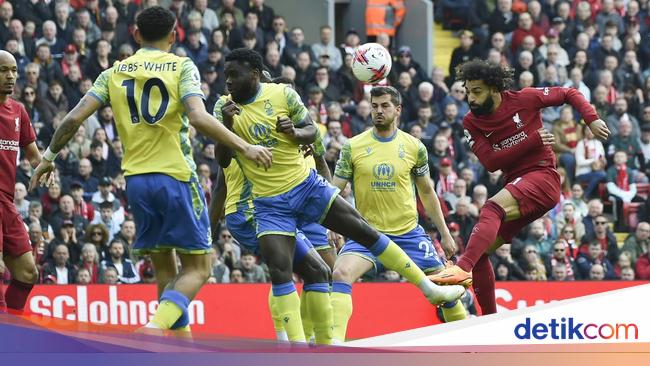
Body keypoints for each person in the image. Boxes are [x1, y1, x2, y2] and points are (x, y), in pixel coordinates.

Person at [29, 6, 272, 334]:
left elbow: (72, 119)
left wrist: (48, 156)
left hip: (137, 183)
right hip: (175, 178)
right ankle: (154, 330)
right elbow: (199, 117)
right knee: (200, 268)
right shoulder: (181, 66)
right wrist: (247, 147)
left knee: (165, 273)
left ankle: (172, 351)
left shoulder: (113, 72)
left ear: (135, 34)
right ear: (174, 35)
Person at [214, 48, 463, 342]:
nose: (227, 81)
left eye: (234, 75)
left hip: (310, 190)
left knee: (330, 261)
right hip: (267, 204)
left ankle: (437, 301)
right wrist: (227, 127)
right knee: (295, 271)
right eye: (374, 105)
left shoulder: (284, 96)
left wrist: (295, 134)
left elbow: (314, 140)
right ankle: (303, 347)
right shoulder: (224, 108)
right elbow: (223, 163)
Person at [429, 60, 610, 315]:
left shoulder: (525, 99)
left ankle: (462, 267)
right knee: (482, 252)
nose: (471, 98)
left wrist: (590, 119)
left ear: (494, 88)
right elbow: (491, 162)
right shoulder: (471, 122)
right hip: (519, 185)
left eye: (477, 91)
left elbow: (569, 93)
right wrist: (531, 139)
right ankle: (489, 320)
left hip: (543, 177)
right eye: (468, 91)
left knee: (491, 208)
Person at [330, 86, 467, 342]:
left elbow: (427, 193)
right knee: (340, 273)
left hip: (408, 235)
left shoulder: (414, 146)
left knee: (444, 286)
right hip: (366, 235)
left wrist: (445, 233)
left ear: (398, 110)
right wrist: (331, 225)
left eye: (384, 106)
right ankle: (334, 347)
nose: (378, 111)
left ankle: (471, 347)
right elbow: (333, 190)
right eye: (374, 106)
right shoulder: (353, 146)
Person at [0, 50, 40, 313]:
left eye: (14, 70)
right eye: (4, 70)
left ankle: (12, 327)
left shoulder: (18, 111)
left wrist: (44, 167)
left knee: (28, 273)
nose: (11, 76)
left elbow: (34, 155)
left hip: (6, 202)